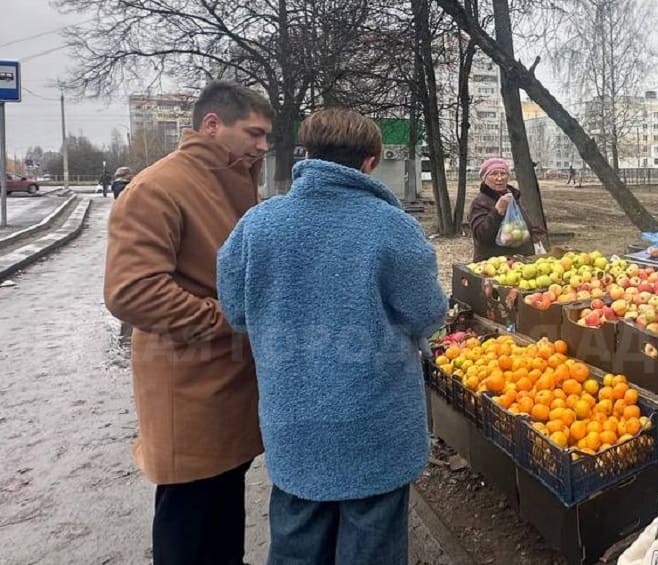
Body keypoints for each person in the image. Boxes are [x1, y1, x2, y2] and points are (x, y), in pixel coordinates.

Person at [216, 108, 448, 565]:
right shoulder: (392, 226)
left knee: (297, 541)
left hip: (294, 423)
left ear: (308, 153)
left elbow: (237, 312)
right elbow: (427, 313)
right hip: (376, 428)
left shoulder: (258, 225)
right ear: (369, 161)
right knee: (372, 545)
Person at [103, 81, 273, 565]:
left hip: (224, 384)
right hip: (190, 388)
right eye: (254, 133)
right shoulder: (157, 188)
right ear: (212, 125)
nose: (262, 145)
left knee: (221, 518)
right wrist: (229, 318)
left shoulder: (230, 179)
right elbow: (131, 291)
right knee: (189, 524)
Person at [468, 157, 544, 261]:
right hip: (495, 265)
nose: (499, 178)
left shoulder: (513, 198)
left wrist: (532, 231)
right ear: (484, 178)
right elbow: (482, 236)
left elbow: (518, 226)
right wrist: (497, 212)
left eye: (503, 174)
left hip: (521, 263)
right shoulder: (480, 202)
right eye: (494, 174)